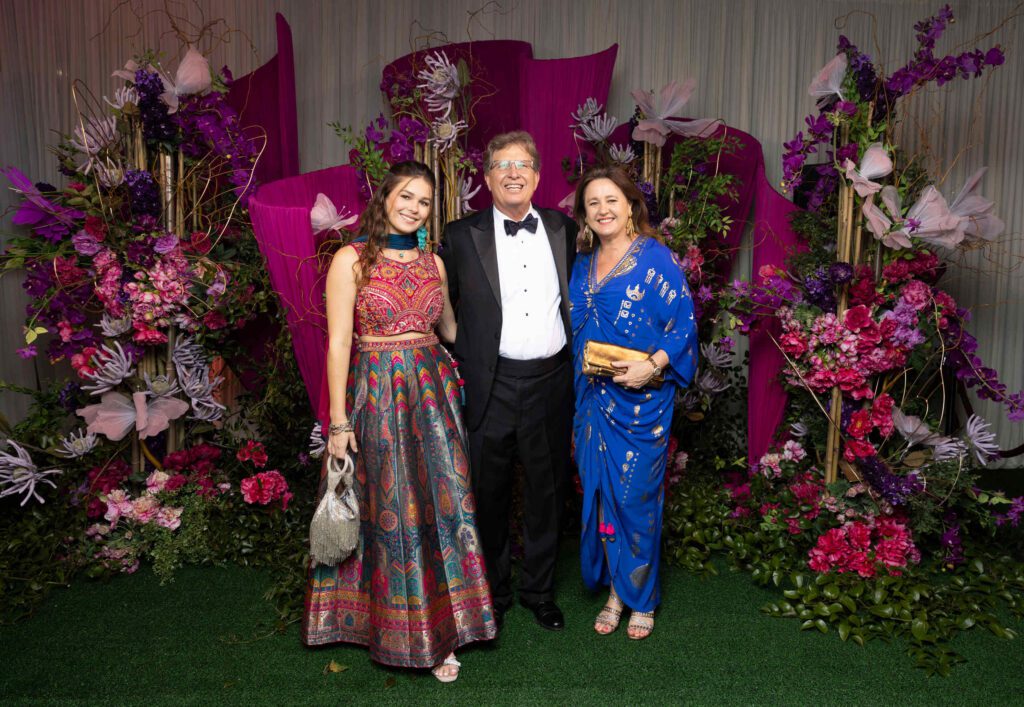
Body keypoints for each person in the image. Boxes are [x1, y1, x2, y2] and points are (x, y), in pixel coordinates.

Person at [302, 161, 497, 683]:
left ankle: (447, 627)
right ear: (385, 197)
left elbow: (453, 329)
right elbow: (339, 342)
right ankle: (385, 627)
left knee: (442, 501)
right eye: (406, 196)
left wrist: (515, 355)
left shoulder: (434, 261)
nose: (414, 207)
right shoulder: (351, 258)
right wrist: (338, 422)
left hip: (434, 397)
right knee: (393, 504)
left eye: (425, 202)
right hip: (378, 396)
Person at [441, 131, 577, 631]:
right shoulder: (460, 236)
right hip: (490, 384)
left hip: (551, 381)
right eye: (502, 164)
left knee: (548, 491)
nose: (514, 173)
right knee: (488, 492)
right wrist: (464, 357)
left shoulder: (565, 228)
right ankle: (493, 593)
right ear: (488, 177)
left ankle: (539, 591)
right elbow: (442, 306)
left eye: (523, 164)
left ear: (537, 177)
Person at [568, 166, 698, 640]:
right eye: (592, 203)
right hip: (591, 402)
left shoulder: (654, 259)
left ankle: (640, 594)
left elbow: (685, 325)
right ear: (584, 215)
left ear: (629, 207)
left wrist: (655, 365)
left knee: (635, 498)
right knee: (602, 496)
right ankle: (616, 592)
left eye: (611, 201)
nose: (602, 210)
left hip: (641, 403)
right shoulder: (583, 263)